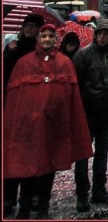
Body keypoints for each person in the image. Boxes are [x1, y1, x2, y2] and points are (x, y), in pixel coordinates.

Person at [3, 23, 94, 219]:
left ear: (55, 39)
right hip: (29, 128)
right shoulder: (24, 63)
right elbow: (15, 99)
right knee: (28, 168)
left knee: (48, 168)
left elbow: (70, 98)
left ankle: (42, 208)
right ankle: (24, 208)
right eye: (42, 36)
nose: (46, 39)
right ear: (38, 39)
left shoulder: (64, 63)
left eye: (50, 36)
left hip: (54, 127)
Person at [71, 20, 108, 212]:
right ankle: (82, 194)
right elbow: (75, 85)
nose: (102, 37)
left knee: (102, 153)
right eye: (99, 34)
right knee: (83, 154)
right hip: (88, 111)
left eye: (106, 34)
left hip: (107, 112)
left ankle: (99, 189)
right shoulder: (83, 55)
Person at [3, 13, 45, 218]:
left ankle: (28, 198)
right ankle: (8, 197)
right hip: (13, 108)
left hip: (34, 111)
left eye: (33, 26)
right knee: (12, 155)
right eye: (27, 25)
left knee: (31, 157)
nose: (29, 29)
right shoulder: (12, 49)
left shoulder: (41, 52)